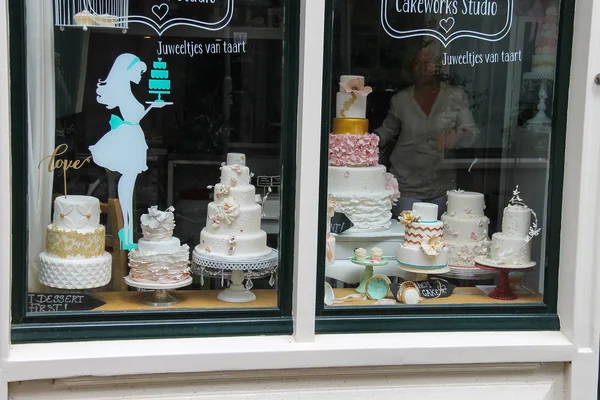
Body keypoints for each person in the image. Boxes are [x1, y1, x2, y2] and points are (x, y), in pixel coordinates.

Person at [375, 45, 479, 218]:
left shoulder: (455, 96)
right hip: (406, 187)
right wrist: (362, 142)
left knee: (439, 241)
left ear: (438, 66)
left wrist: (457, 136)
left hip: (442, 187)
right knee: (408, 239)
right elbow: (386, 131)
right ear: (410, 68)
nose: (423, 67)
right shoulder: (400, 100)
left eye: (428, 62)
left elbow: (471, 132)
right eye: (417, 63)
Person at [90, 53, 169, 249]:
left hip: (131, 138)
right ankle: (125, 235)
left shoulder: (125, 91)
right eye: (138, 72)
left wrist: (151, 106)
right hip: (127, 141)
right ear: (127, 71)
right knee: (126, 189)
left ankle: (125, 235)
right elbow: (133, 117)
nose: (141, 76)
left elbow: (135, 116)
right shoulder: (124, 93)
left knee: (126, 189)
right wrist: (150, 107)